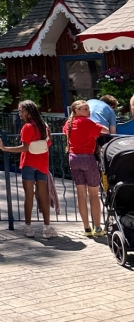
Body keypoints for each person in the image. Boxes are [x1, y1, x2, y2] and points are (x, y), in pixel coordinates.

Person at [0, 100, 57, 239]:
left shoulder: (27, 127)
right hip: (42, 164)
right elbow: (48, 144)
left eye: (21, 111)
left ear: (29, 111)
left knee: (29, 195)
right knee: (43, 196)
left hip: (29, 163)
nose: (20, 114)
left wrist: (6, 148)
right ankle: (47, 228)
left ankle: (28, 227)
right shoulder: (44, 126)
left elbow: (25, 147)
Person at [62, 100, 104, 237]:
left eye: (88, 108)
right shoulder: (87, 122)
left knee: (81, 194)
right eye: (85, 109)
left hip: (73, 158)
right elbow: (105, 130)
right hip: (88, 158)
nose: (88, 111)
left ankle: (86, 228)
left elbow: (65, 132)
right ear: (77, 111)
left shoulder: (69, 123)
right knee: (93, 194)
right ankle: (97, 227)